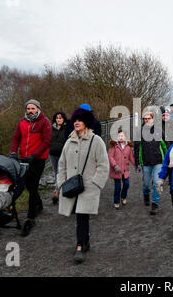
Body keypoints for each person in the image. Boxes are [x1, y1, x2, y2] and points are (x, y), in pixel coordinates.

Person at [57, 107, 109, 263]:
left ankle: (79, 246)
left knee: (81, 216)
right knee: (79, 216)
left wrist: (95, 184)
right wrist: (61, 183)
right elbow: (62, 164)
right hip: (71, 186)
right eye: (75, 120)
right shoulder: (69, 141)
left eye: (80, 120)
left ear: (86, 122)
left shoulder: (96, 141)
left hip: (88, 187)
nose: (76, 123)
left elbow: (103, 165)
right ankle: (85, 239)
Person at [10, 99, 52, 237]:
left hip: (38, 159)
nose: (30, 111)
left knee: (33, 186)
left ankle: (30, 217)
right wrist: (13, 152)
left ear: (38, 109)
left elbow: (46, 141)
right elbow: (16, 137)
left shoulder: (44, 122)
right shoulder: (22, 122)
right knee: (28, 186)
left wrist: (34, 155)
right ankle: (39, 204)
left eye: (33, 108)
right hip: (23, 158)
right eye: (28, 108)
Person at [134, 111, 168, 215]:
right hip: (146, 162)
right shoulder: (139, 132)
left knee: (158, 182)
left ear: (153, 119)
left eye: (149, 118)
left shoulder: (159, 131)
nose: (147, 120)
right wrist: (137, 163)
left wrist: (168, 160)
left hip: (158, 161)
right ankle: (146, 194)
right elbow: (136, 148)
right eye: (145, 119)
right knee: (146, 184)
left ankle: (155, 204)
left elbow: (166, 145)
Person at [108, 130, 135, 209]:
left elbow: (131, 157)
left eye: (122, 136)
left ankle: (123, 196)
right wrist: (115, 165)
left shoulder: (128, 147)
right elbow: (110, 156)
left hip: (125, 170)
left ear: (125, 137)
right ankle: (116, 201)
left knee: (126, 184)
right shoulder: (114, 146)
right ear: (117, 137)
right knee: (118, 187)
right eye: (119, 136)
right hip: (117, 170)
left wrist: (136, 165)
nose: (120, 137)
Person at [49, 112, 68, 204]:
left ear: (63, 119)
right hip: (52, 153)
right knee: (56, 172)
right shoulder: (51, 128)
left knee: (60, 172)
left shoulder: (66, 129)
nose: (58, 119)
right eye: (57, 118)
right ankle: (58, 189)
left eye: (60, 118)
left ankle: (57, 191)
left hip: (62, 154)